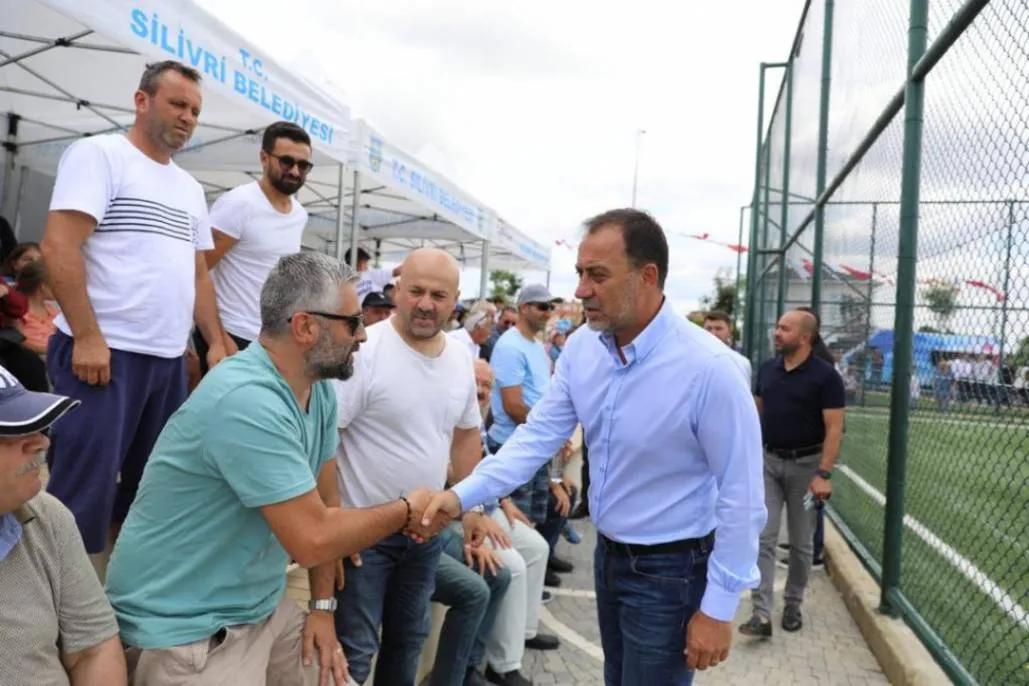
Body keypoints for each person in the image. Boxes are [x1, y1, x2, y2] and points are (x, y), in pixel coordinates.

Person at [422, 209, 767, 685]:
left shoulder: (711, 370)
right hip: (609, 558)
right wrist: (460, 497)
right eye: (580, 273)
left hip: (672, 571)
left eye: (598, 275)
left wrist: (719, 607)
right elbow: (535, 439)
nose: (582, 289)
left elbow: (742, 497)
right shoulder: (585, 348)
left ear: (648, 276)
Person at [105, 252, 442, 685]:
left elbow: (328, 503)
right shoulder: (247, 399)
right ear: (304, 327)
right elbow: (314, 538)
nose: (362, 334)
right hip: (186, 627)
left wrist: (323, 609)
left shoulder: (316, 389)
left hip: (257, 608)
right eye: (352, 322)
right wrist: (406, 510)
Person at [40, 60, 228, 567]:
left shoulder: (189, 188)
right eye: (177, 104)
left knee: (151, 490)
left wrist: (213, 340)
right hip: (103, 356)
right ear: (141, 101)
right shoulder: (101, 155)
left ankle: (119, 595)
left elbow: (198, 274)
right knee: (81, 495)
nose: (188, 117)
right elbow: (58, 246)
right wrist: (87, 336)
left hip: (165, 363)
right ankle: (57, 606)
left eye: (195, 110)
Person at [332, 248, 496, 685]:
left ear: (455, 300)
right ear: (397, 291)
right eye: (416, 291)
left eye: (438, 296)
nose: (426, 304)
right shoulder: (364, 349)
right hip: (363, 535)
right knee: (355, 652)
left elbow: (466, 436)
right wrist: (333, 523)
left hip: (424, 533)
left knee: (408, 641)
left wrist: (471, 506)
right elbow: (327, 441)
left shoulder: (459, 358)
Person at [0, 365, 128, 686]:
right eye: (11, 434)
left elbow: (93, 650)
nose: (41, 443)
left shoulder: (47, 515)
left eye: (39, 427)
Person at [740, 309, 845, 638]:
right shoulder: (768, 370)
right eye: (777, 326)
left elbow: (834, 428)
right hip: (768, 464)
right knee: (764, 537)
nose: (777, 332)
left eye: (785, 329)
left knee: (801, 543)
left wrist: (823, 474)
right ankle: (761, 613)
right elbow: (754, 413)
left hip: (808, 469)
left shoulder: (826, 377)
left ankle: (793, 603)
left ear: (805, 337)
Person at [198, 121, 313, 371]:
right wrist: (217, 339)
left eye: (303, 165)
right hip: (230, 336)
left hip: (268, 342)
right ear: (264, 158)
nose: (295, 171)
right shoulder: (240, 204)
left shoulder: (299, 214)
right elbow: (197, 273)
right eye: (287, 162)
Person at [473, 358, 548, 686]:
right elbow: (449, 476)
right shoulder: (452, 413)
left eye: (486, 386)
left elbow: (485, 464)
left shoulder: (479, 419)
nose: (481, 391)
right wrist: (477, 513)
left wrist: (504, 501)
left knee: (537, 547)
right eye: (475, 383)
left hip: (490, 508)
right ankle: (503, 665)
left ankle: (524, 633)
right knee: (513, 566)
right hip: (467, 516)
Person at [702, 310, 751, 383]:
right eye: (709, 329)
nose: (713, 333)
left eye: (718, 328)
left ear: (729, 331)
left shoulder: (741, 363)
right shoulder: (693, 360)